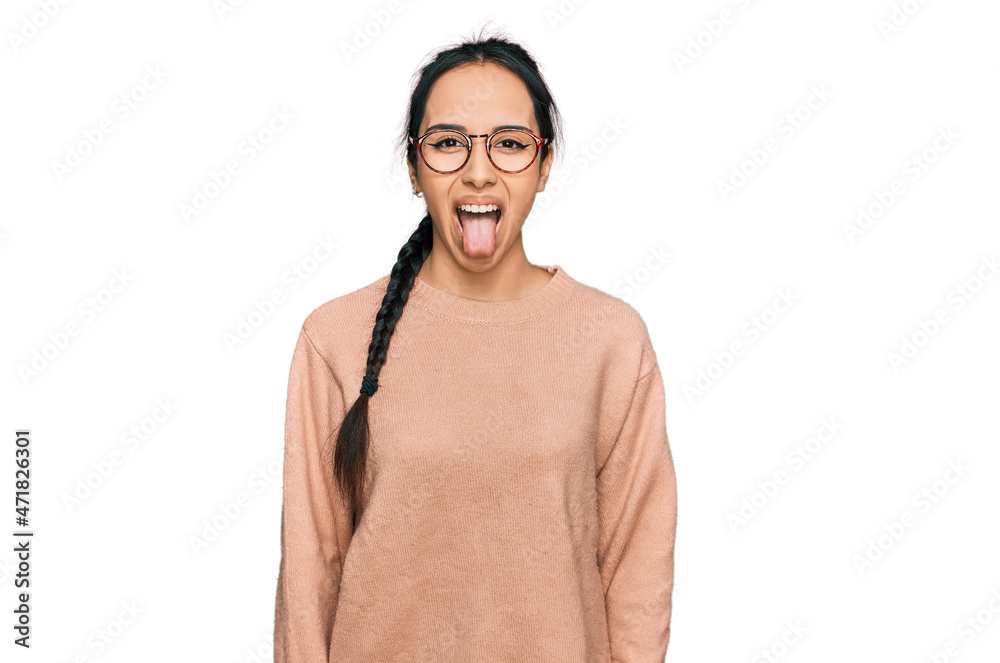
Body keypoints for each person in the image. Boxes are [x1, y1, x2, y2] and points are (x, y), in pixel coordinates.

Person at [273, 28, 678, 663]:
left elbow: (637, 569)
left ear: (544, 167)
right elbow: (309, 573)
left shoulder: (611, 340)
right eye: (448, 145)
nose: (480, 170)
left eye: (511, 145)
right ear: (413, 167)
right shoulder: (334, 339)